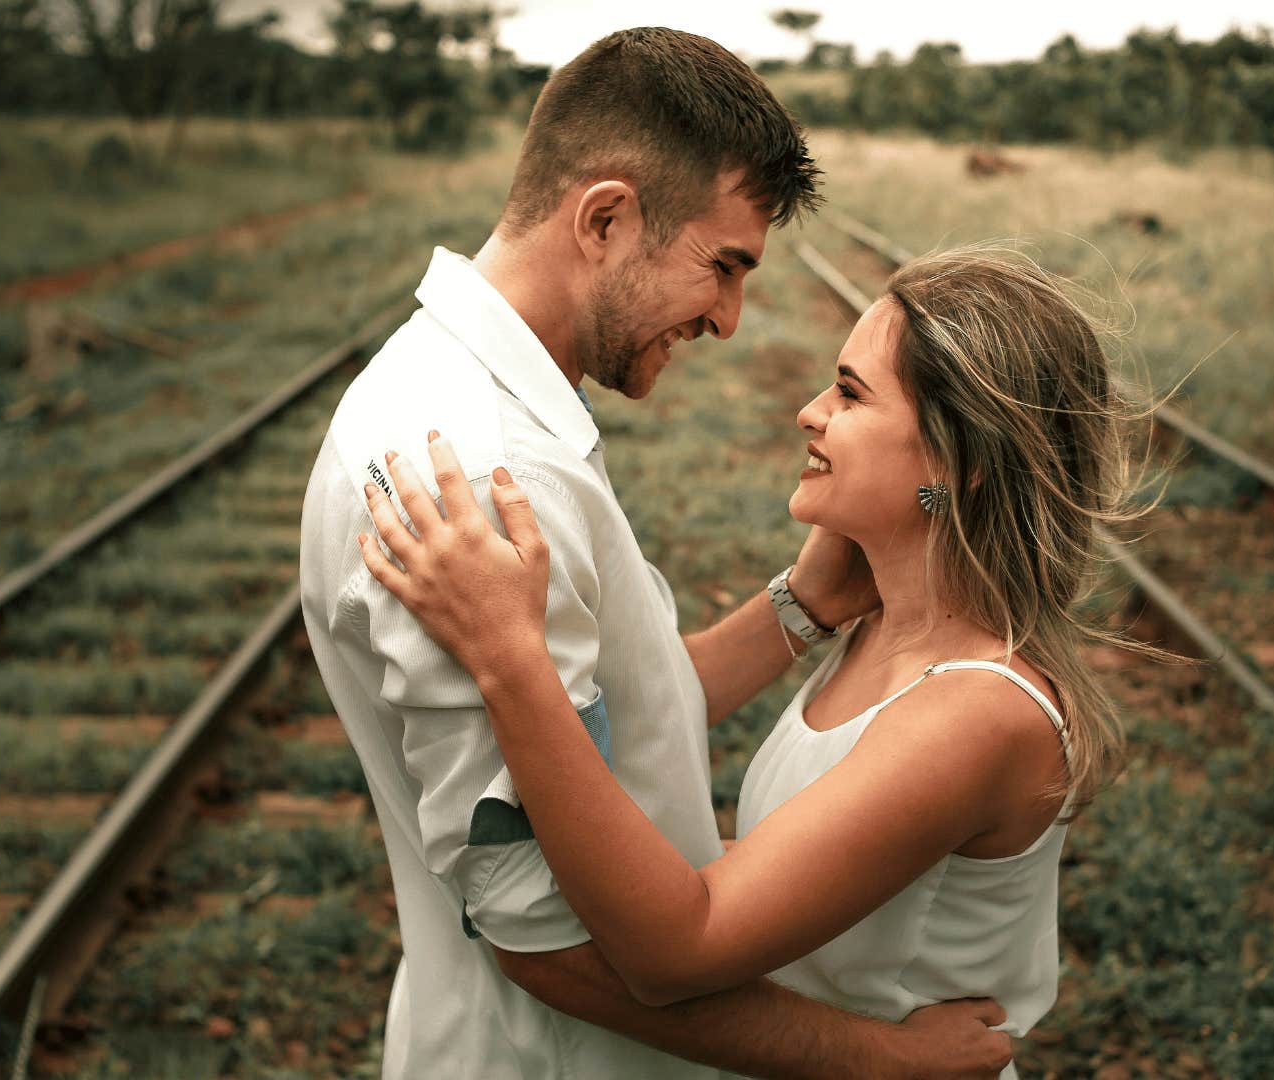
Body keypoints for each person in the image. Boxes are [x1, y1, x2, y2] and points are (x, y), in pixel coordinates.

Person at [299, 26, 1015, 1080]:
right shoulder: (490, 475)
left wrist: (795, 612)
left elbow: (592, 733)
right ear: (605, 219)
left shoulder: (440, 393)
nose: (727, 317)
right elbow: (548, 943)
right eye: (721, 267)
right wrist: (876, 1060)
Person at [355, 243, 1142, 1080]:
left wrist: (508, 656)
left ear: (959, 459)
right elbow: (764, 836)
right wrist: (800, 607)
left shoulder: (976, 714)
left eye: (850, 392)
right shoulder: (884, 635)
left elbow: (678, 949)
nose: (811, 412)